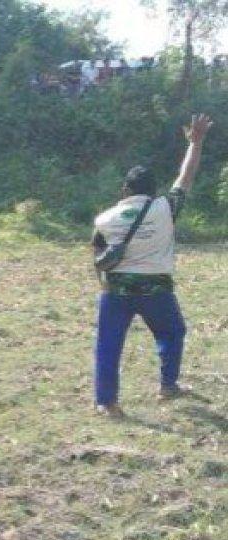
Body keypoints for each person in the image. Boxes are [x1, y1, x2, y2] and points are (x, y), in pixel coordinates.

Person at [91, 114, 212, 418]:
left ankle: (107, 403)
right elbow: (186, 176)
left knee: (108, 345)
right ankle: (167, 386)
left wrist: (106, 285)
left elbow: (97, 256)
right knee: (172, 332)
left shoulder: (104, 219)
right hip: (156, 290)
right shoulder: (165, 207)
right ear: (153, 190)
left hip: (115, 291)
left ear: (125, 190)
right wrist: (196, 143)